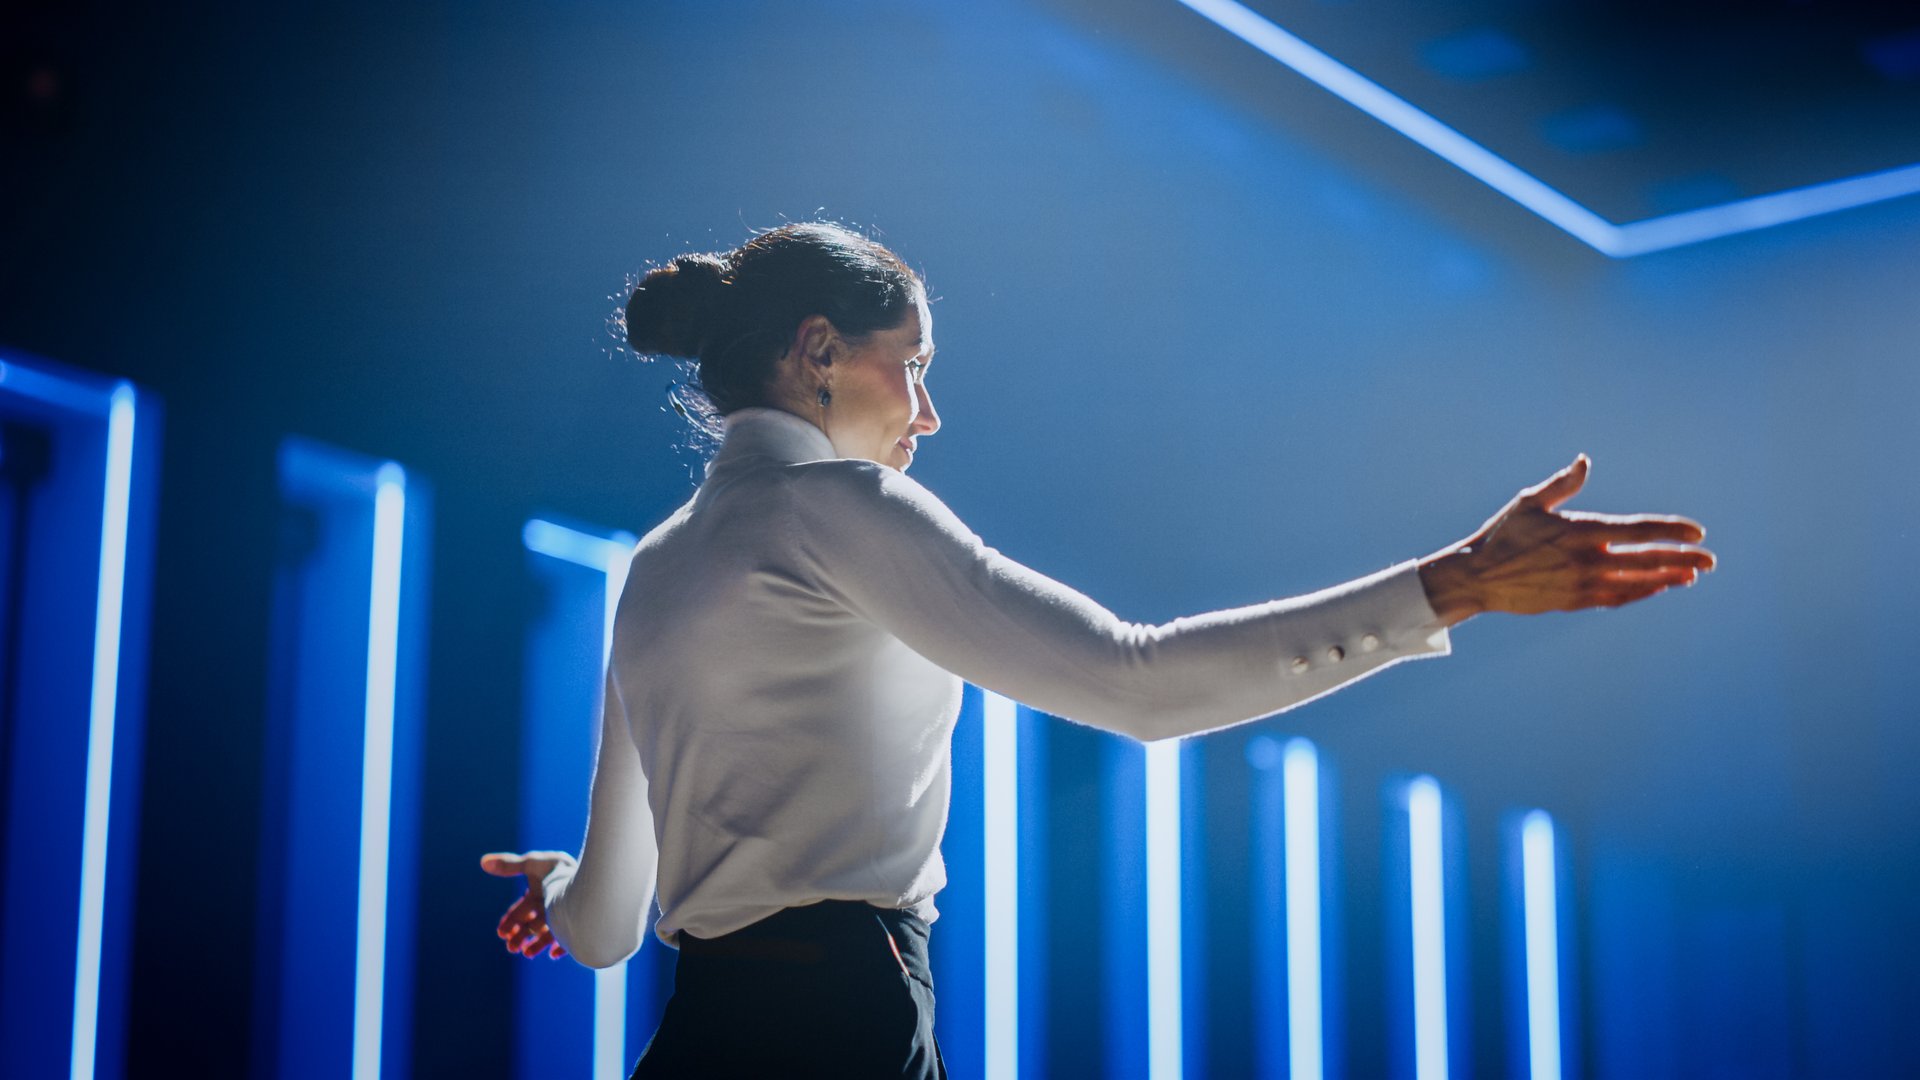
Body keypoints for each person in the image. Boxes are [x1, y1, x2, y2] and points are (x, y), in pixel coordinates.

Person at [479, 221, 1714, 1078]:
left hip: (699, 1041)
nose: (927, 412)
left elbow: (606, 930)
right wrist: (1451, 587)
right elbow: (1138, 683)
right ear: (817, 354)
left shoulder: (654, 566)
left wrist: (565, 885)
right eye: (912, 366)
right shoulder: (843, 507)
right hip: (845, 1023)